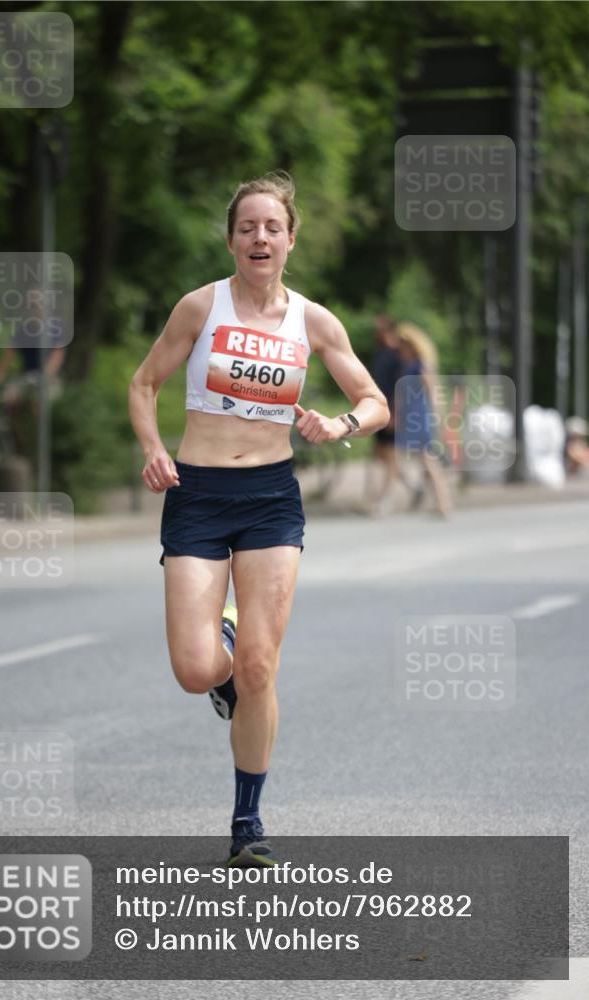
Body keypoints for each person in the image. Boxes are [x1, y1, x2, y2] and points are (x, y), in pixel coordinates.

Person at [128, 171, 389, 866]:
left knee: (260, 667)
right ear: (231, 241)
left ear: (290, 240)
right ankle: (224, 648)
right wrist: (153, 449)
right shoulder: (200, 307)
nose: (259, 237)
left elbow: (374, 402)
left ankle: (248, 824)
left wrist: (339, 424)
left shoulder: (313, 321)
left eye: (272, 227)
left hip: (271, 497)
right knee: (195, 669)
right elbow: (144, 382)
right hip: (198, 494)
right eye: (247, 228)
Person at [0, 294, 65, 454]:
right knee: (7, 400)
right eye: (32, 305)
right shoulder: (23, 330)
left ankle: (40, 443)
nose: (35, 308)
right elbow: (9, 354)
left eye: (37, 304)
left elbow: (58, 354)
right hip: (26, 376)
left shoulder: (54, 328)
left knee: (38, 402)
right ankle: (14, 441)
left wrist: (46, 374)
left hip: (47, 378)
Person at [394, 322, 451, 518]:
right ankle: (438, 502)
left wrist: (438, 417)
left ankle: (443, 504)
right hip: (410, 418)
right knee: (423, 463)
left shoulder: (421, 366)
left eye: (403, 345)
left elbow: (433, 391)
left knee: (428, 462)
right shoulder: (408, 366)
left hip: (420, 418)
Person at [367, 315, 423, 514]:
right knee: (381, 455)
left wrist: (396, 413)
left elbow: (401, 387)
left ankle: (384, 501)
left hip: (391, 411)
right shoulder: (380, 353)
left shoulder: (398, 355)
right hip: (377, 409)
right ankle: (413, 487)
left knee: (390, 457)